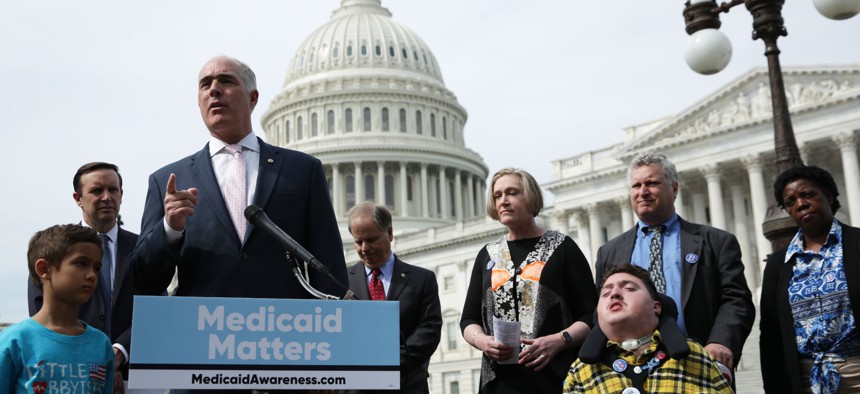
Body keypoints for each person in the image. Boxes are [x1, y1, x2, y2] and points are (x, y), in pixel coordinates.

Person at [129, 55, 347, 301]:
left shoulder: (302, 170)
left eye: (226, 81)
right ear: (199, 103)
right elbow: (143, 282)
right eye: (205, 84)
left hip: (285, 331)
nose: (214, 90)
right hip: (201, 332)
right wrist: (170, 229)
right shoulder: (168, 181)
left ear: (253, 98)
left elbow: (329, 268)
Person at [594, 151, 755, 373]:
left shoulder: (716, 242)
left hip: (699, 362)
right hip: (631, 368)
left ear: (675, 188)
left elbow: (736, 299)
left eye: (651, 183)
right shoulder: (609, 252)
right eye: (636, 185)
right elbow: (601, 310)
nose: (642, 192)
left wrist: (722, 341)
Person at [460, 168, 598, 393]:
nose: (503, 201)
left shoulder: (563, 248)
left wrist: (558, 340)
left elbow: (591, 315)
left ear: (531, 197)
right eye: (497, 196)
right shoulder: (487, 254)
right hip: (499, 380)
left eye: (512, 193)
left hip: (555, 377)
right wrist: (482, 341)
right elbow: (468, 319)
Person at [27, 162, 137, 392]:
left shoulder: (144, 248)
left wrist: (118, 354)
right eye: (97, 191)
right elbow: (42, 313)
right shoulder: (53, 249)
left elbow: (155, 308)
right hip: (70, 375)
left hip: (135, 378)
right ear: (78, 198)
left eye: (113, 190)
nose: (107, 197)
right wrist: (95, 363)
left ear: (122, 194)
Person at [761, 165, 860, 393]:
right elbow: (771, 335)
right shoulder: (779, 264)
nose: (800, 204)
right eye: (790, 201)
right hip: (806, 381)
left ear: (828, 194)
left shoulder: (856, 244)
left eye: (807, 194)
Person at [563, 264, 732, 393]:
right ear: (598, 315)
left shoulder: (695, 355)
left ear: (656, 307)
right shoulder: (580, 372)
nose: (614, 294)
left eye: (629, 288)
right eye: (606, 294)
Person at [1, 224, 114, 392]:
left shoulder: (101, 344)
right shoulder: (15, 340)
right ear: (44, 269)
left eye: (96, 268)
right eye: (81, 263)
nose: (92, 275)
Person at [344, 202, 442, 393]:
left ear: (389, 233)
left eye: (371, 240)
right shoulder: (342, 281)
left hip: (407, 384)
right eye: (358, 242)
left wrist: (387, 363)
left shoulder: (422, 279)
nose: (364, 248)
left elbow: (429, 331)